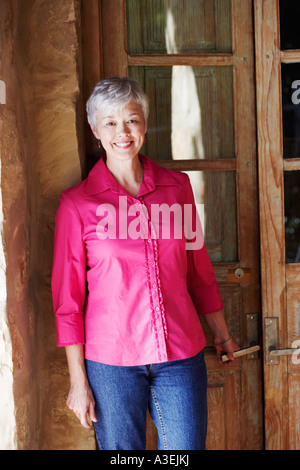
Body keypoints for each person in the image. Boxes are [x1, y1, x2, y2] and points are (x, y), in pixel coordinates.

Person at [51, 77, 239, 450]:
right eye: (110, 123)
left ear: (145, 125)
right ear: (95, 130)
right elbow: (67, 301)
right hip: (111, 362)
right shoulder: (76, 204)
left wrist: (221, 334)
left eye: (132, 120)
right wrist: (77, 381)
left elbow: (198, 271)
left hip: (180, 355)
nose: (123, 132)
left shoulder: (177, 188)